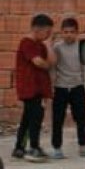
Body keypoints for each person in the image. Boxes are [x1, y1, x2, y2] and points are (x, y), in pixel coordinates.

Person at [13, 13, 55, 163]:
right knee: (35, 119)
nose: (49, 35)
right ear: (37, 29)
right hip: (29, 87)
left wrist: (48, 46)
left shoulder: (41, 45)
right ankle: (33, 147)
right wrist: (47, 63)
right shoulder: (27, 43)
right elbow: (39, 62)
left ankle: (19, 147)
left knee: (27, 118)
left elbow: (52, 62)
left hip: (39, 88)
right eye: (47, 32)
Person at [50, 17, 85, 159]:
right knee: (57, 119)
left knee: (81, 118)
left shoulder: (81, 47)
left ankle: (83, 146)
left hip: (77, 87)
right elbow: (53, 67)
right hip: (60, 87)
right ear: (61, 32)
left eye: (72, 32)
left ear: (77, 33)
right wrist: (52, 85)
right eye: (66, 32)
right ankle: (57, 148)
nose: (68, 34)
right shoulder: (57, 47)